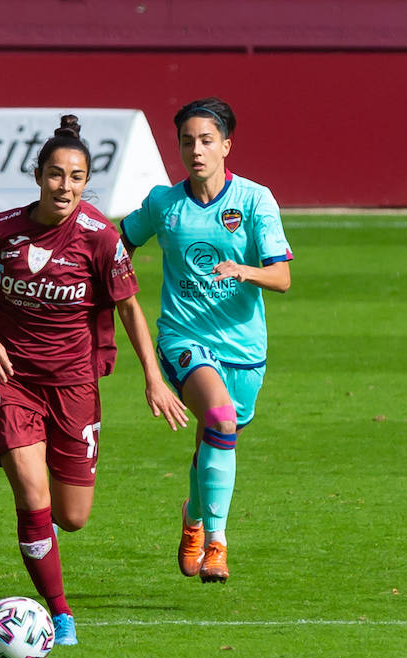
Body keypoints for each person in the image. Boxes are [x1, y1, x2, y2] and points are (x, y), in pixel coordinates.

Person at [0, 115, 187, 645]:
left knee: (74, 516)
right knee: (31, 494)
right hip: (9, 376)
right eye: (56, 175)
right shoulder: (3, 229)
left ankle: (44, 537)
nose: (65, 186)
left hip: (75, 385)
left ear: (87, 181)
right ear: (38, 175)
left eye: (77, 177)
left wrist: (153, 378)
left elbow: (129, 308)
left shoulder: (101, 238)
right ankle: (58, 614)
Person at [119, 97, 293, 584]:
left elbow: (281, 278)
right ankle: (217, 541)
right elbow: (121, 242)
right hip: (183, 337)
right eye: (187, 141)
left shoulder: (256, 200)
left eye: (206, 140)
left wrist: (246, 271)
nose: (195, 150)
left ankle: (192, 517)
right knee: (219, 416)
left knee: (218, 436)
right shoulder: (163, 203)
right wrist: (112, 284)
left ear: (226, 146)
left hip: (244, 349)